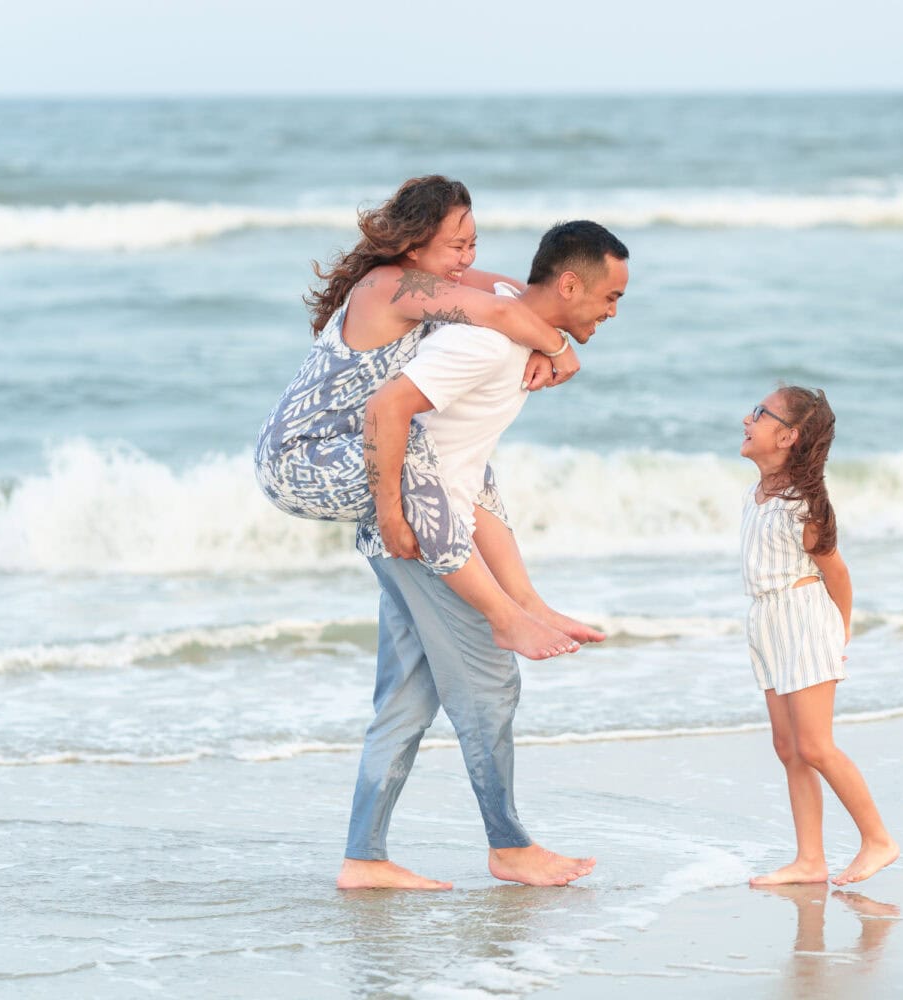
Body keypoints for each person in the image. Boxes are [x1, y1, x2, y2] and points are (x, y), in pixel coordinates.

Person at [339, 220, 630, 890]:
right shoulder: (488, 346)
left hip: (429, 522)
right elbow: (388, 408)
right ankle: (509, 847)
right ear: (568, 283)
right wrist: (390, 517)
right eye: (609, 297)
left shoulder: (513, 331)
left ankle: (364, 857)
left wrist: (556, 344)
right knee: (490, 685)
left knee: (409, 696)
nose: (613, 313)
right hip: (417, 528)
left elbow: (465, 466)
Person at [254, 175, 602, 660]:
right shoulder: (390, 286)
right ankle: (505, 621)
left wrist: (542, 332)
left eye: (473, 244)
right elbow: (499, 315)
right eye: (456, 246)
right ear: (414, 248)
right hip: (297, 460)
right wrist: (558, 348)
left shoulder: (432, 280)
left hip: (346, 446)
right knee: (422, 444)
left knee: (468, 457)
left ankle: (529, 603)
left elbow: (516, 297)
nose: (467, 259)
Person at [739, 386, 899, 886]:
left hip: (805, 618)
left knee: (816, 745)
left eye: (760, 414)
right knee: (788, 747)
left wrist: (840, 631)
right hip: (767, 621)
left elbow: (838, 574)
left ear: (786, 436)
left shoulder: (804, 505)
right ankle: (810, 860)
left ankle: (878, 839)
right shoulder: (759, 493)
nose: (747, 417)